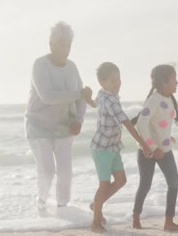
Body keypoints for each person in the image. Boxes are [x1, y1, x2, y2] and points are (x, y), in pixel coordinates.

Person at [24, 21, 92, 214]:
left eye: (68, 44)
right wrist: (79, 93)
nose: (65, 48)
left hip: (65, 127)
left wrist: (78, 119)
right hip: (38, 126)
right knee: (47, 171)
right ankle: (42, 203)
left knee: (66, 173)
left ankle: (62, 207)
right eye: (61, 43)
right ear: (51, 44)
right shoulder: (39, 65)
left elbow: (82, 99)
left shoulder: (72, 67)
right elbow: (48, 96)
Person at [84, 62, 152, 233]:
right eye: (113, 80)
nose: (118, 83)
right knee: (104, 185)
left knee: (121, 180)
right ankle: (95, 222)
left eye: (119, 79)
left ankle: (96, 205)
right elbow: (127, 124)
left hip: (112, 147)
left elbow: (94, 103)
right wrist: (144, 144)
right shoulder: (110, 102)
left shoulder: (105, 94)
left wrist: (87, 98)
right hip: (102, 149)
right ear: (103, 83)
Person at [131, 64, 178, 232]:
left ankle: (169, 222)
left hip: (165, 150)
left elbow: (159, 123)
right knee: (145, 185)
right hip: (147, 151)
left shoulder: (169, 99)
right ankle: (135, 217)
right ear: (163, 82)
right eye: (174, 79)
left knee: (174, 182)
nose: (177, 82)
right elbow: (142, 123)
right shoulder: (153, 99)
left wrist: (166, 137)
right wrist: (153, 147)